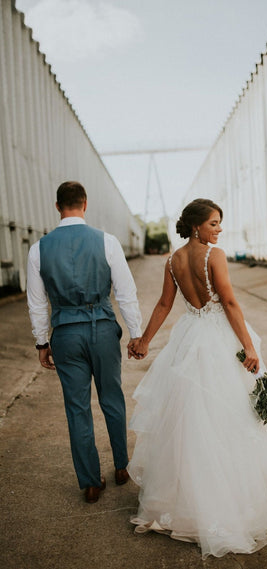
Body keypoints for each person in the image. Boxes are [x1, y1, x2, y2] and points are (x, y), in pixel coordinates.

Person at [127, 198, 267, 559]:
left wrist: (145, 340)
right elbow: (228, 303)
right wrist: (248, 347)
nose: (219, 229)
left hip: (189, 339)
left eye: (220, 223)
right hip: (218, 340)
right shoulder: (215, 255)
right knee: (230, 417)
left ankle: (187, 502)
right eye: (213, 223)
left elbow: (165, 305)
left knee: (192, 421)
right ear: (196, 226)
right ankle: (230, 505)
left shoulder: (173, 260)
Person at [27, 181, 142, 503]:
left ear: (57, 206)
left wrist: (41, 343)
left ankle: (91, 483)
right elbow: (125, 292)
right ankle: (121, 466)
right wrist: (136, 334)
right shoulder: (106, 241)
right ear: (85, 204)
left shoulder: (39, 248)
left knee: (77, 408)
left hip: (65, 332)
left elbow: (36, 303)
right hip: (102, 328)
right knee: (112, 398)